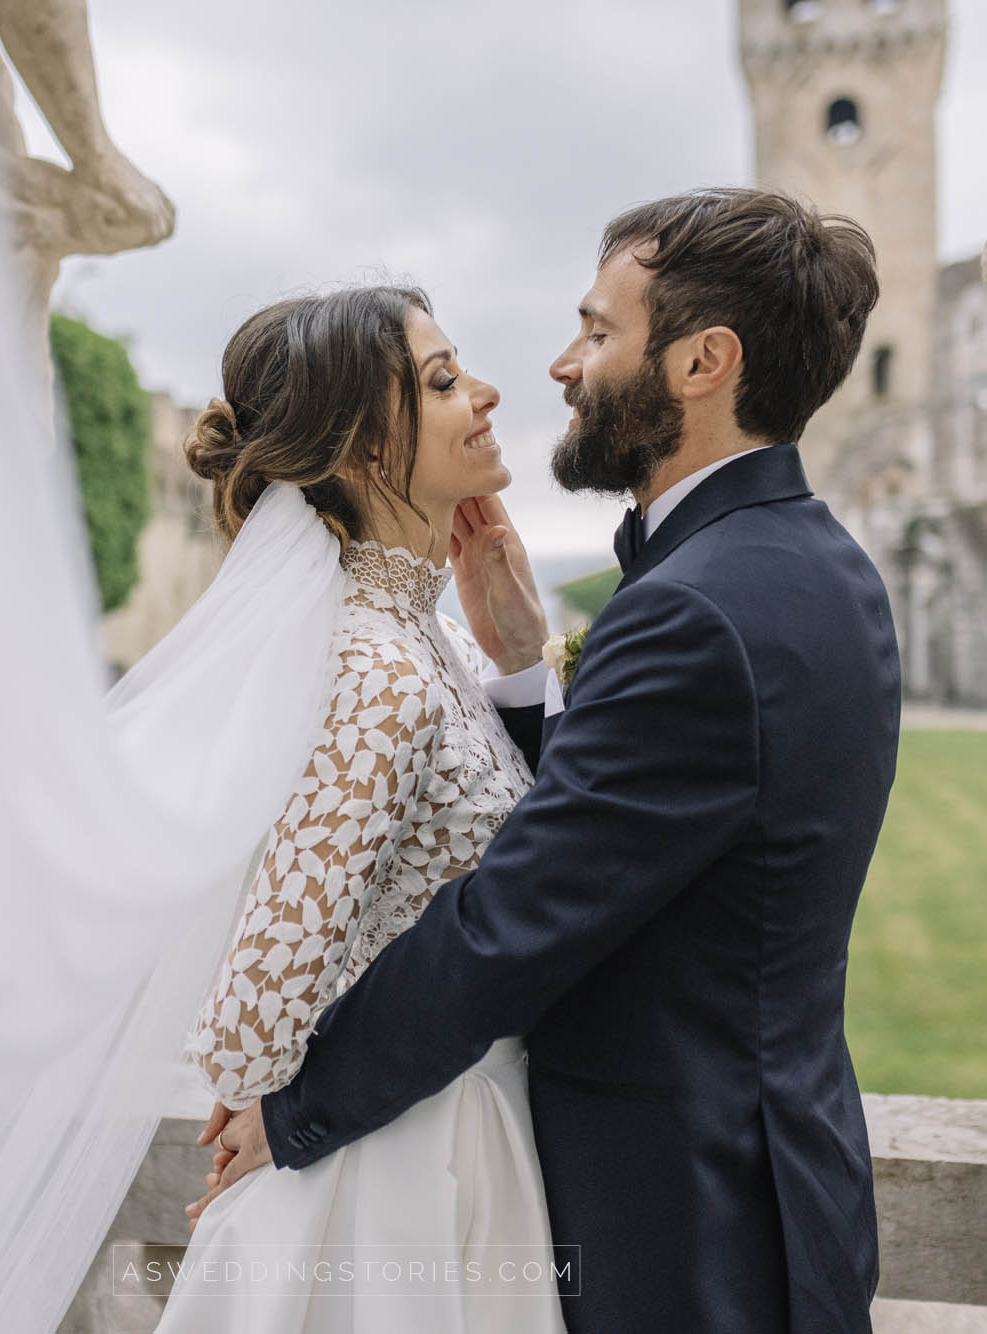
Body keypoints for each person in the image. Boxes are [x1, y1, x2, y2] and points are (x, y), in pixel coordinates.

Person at [193, 187, 902, 1334]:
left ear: (702, 362)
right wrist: (522, 671)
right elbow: (608, 837)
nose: (558, 367)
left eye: (596, 330)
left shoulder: (693, 607)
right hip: (738, 1173)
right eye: (442, 378)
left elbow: (517, 914)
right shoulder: (807, 564)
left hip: (686, 1221)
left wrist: (297, 1108)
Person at [152, 283, 569, 1333]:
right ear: (364, 451)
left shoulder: (428, 639)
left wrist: (521, 658)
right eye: (442, 381)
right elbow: (248, 1024)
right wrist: (282, 1108)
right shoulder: (378, 668)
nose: (485, 392)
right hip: (391, 1175)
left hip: (447, 1132)